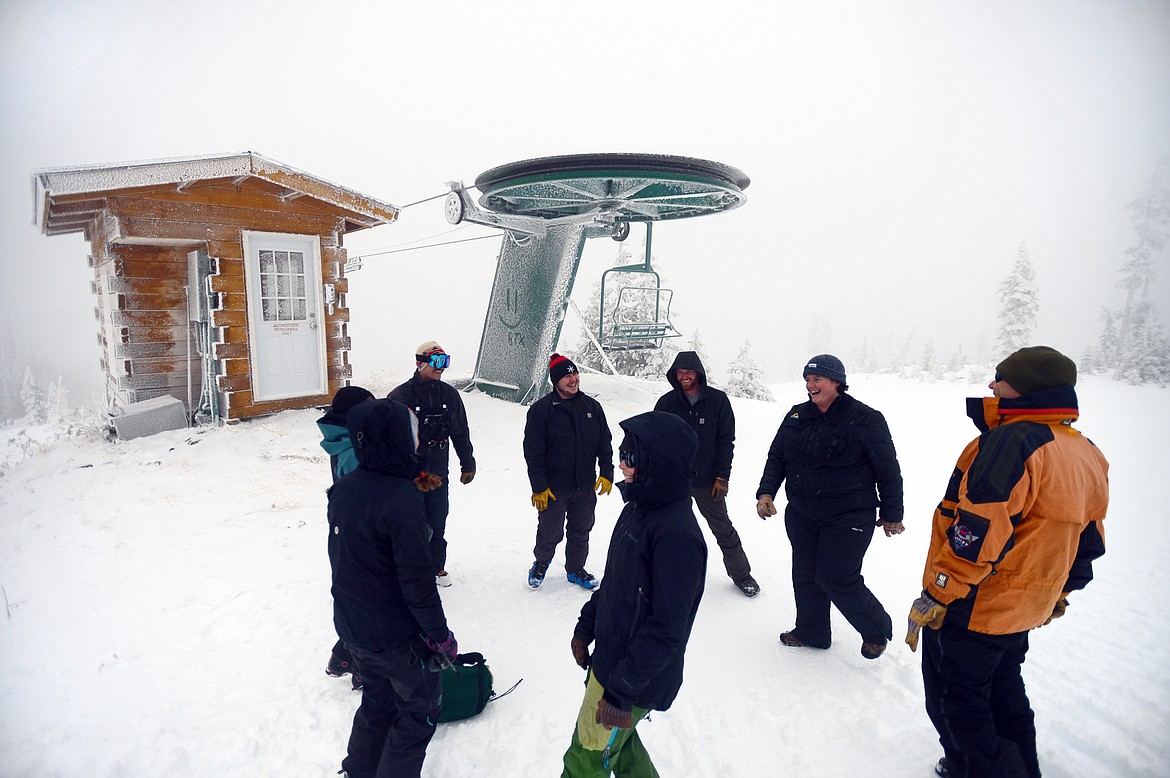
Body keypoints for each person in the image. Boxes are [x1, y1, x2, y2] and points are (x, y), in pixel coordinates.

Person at [905, 346, 1109, 778]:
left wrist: (938, 594)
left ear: (1025, 387)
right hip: (1024, 607)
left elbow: (976, 532)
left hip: (975, 603)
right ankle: (1020, 770)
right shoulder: (1085, 450)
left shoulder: (1010, 441)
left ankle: (972, 768)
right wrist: (1060, 592)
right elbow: (1089, 540)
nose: (991, 385)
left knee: (957, 700)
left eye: (999, 378)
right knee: (1004, 690)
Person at [562, 411, 707, 777]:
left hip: (632, 677)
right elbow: (615, 582)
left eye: (632, 457)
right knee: (619, 751)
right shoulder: (639, 510)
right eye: (622, 454)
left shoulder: (677, 536)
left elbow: (667, 629)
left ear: (660, 463)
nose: (622, 465)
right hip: (611, 660)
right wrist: (586, 627)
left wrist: (622, 691)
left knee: (585, 759)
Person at [327, 398, 459, 778]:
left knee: (377, 702)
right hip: (396, 638)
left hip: (356, 630)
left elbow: (347, 566)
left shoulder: (345, 489)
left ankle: (359, 771)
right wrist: (439, 636)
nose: (417, 440)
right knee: (419, 712)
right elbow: (418, 583)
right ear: (395, 439)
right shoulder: (401, 500)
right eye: (412, 432)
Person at [755, 354, 904, 660]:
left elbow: (887, 469)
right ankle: (812, 632)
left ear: (836, 382)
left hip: (849, 514)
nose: (810, 385)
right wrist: (766, 492)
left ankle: (876, 629)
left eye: (817, 379)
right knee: (806, 576)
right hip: (802, 513)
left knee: (836, 577)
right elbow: (778, 456)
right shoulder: (797, 416)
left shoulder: (865, 419)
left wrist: (892, 514)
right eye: (808, 380)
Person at [654, 350, 760, 597]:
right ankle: (667, 575)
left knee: (722, 528)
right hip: (674, 480)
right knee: (669, 529)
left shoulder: (717, 401)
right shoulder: (667, 403)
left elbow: (726, 441)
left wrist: (722, 476)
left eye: (688, 372)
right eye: (679, 372)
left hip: (707, 480)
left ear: (698, 373)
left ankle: (741, 574)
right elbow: (654, 439)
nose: (684, 377)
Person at [522, 353, 614, 590]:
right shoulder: (541, 411)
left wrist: (606, 471)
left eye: (574, 373)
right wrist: (539, 486)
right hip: (554, 489)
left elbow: (604, 442)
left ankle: (575, 569)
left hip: (584, 487)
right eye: (566, 376)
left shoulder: (592, 407)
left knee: (581, 530)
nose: (573, 379)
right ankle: (541, 563)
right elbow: (533, 453)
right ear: (556, 381)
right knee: (550, 532)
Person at [388, 341, 476, 588]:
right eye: (437, 362)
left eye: (445, 361)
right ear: (421, 362)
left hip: (436, 473)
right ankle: (408, 571)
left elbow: (460, 432)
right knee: (411, 524)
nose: (442, 368)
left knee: (437, 521)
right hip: (409, 474)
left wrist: (467, 463)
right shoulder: (400, 396)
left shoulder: (449, 395)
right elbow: (388, 438)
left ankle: (436, 567)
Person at [317, 384, 374, 689]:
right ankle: (361, 667)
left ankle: (343, 657)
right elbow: (363, 497)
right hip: (358, 535)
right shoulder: (353, 450)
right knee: (368, 601)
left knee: (361, 599)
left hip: (349, 532)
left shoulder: (347, 440)